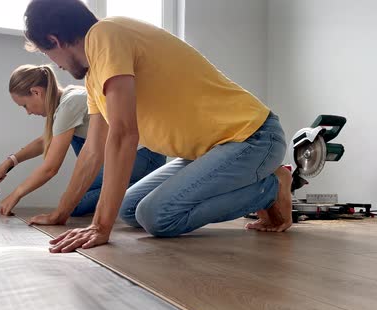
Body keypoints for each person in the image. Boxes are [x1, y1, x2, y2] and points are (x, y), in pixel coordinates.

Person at [23, 0, 292, 252]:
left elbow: (124, 133)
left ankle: (270, 189)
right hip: (209, 151)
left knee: (156, 217)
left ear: (53, 39)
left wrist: (100, 226)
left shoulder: (104, 34)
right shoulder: (94, 76)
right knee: (129, 209)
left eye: (48, 53)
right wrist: (62, 213)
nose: (54, 65)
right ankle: (263, 185)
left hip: (253, 137)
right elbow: (93, 152)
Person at [0, 64, 165, 217]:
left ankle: (148, 183)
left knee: (74, 204)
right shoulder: (68, 99)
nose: (27, 112)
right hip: (139, 155)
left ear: (36, 92)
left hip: (143, 156)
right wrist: (10, 162)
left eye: (25, 105)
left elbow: (50, 168)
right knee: (76, 196)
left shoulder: (70, 104)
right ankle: (138, 184)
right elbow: (45, 141)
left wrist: (15, 195)